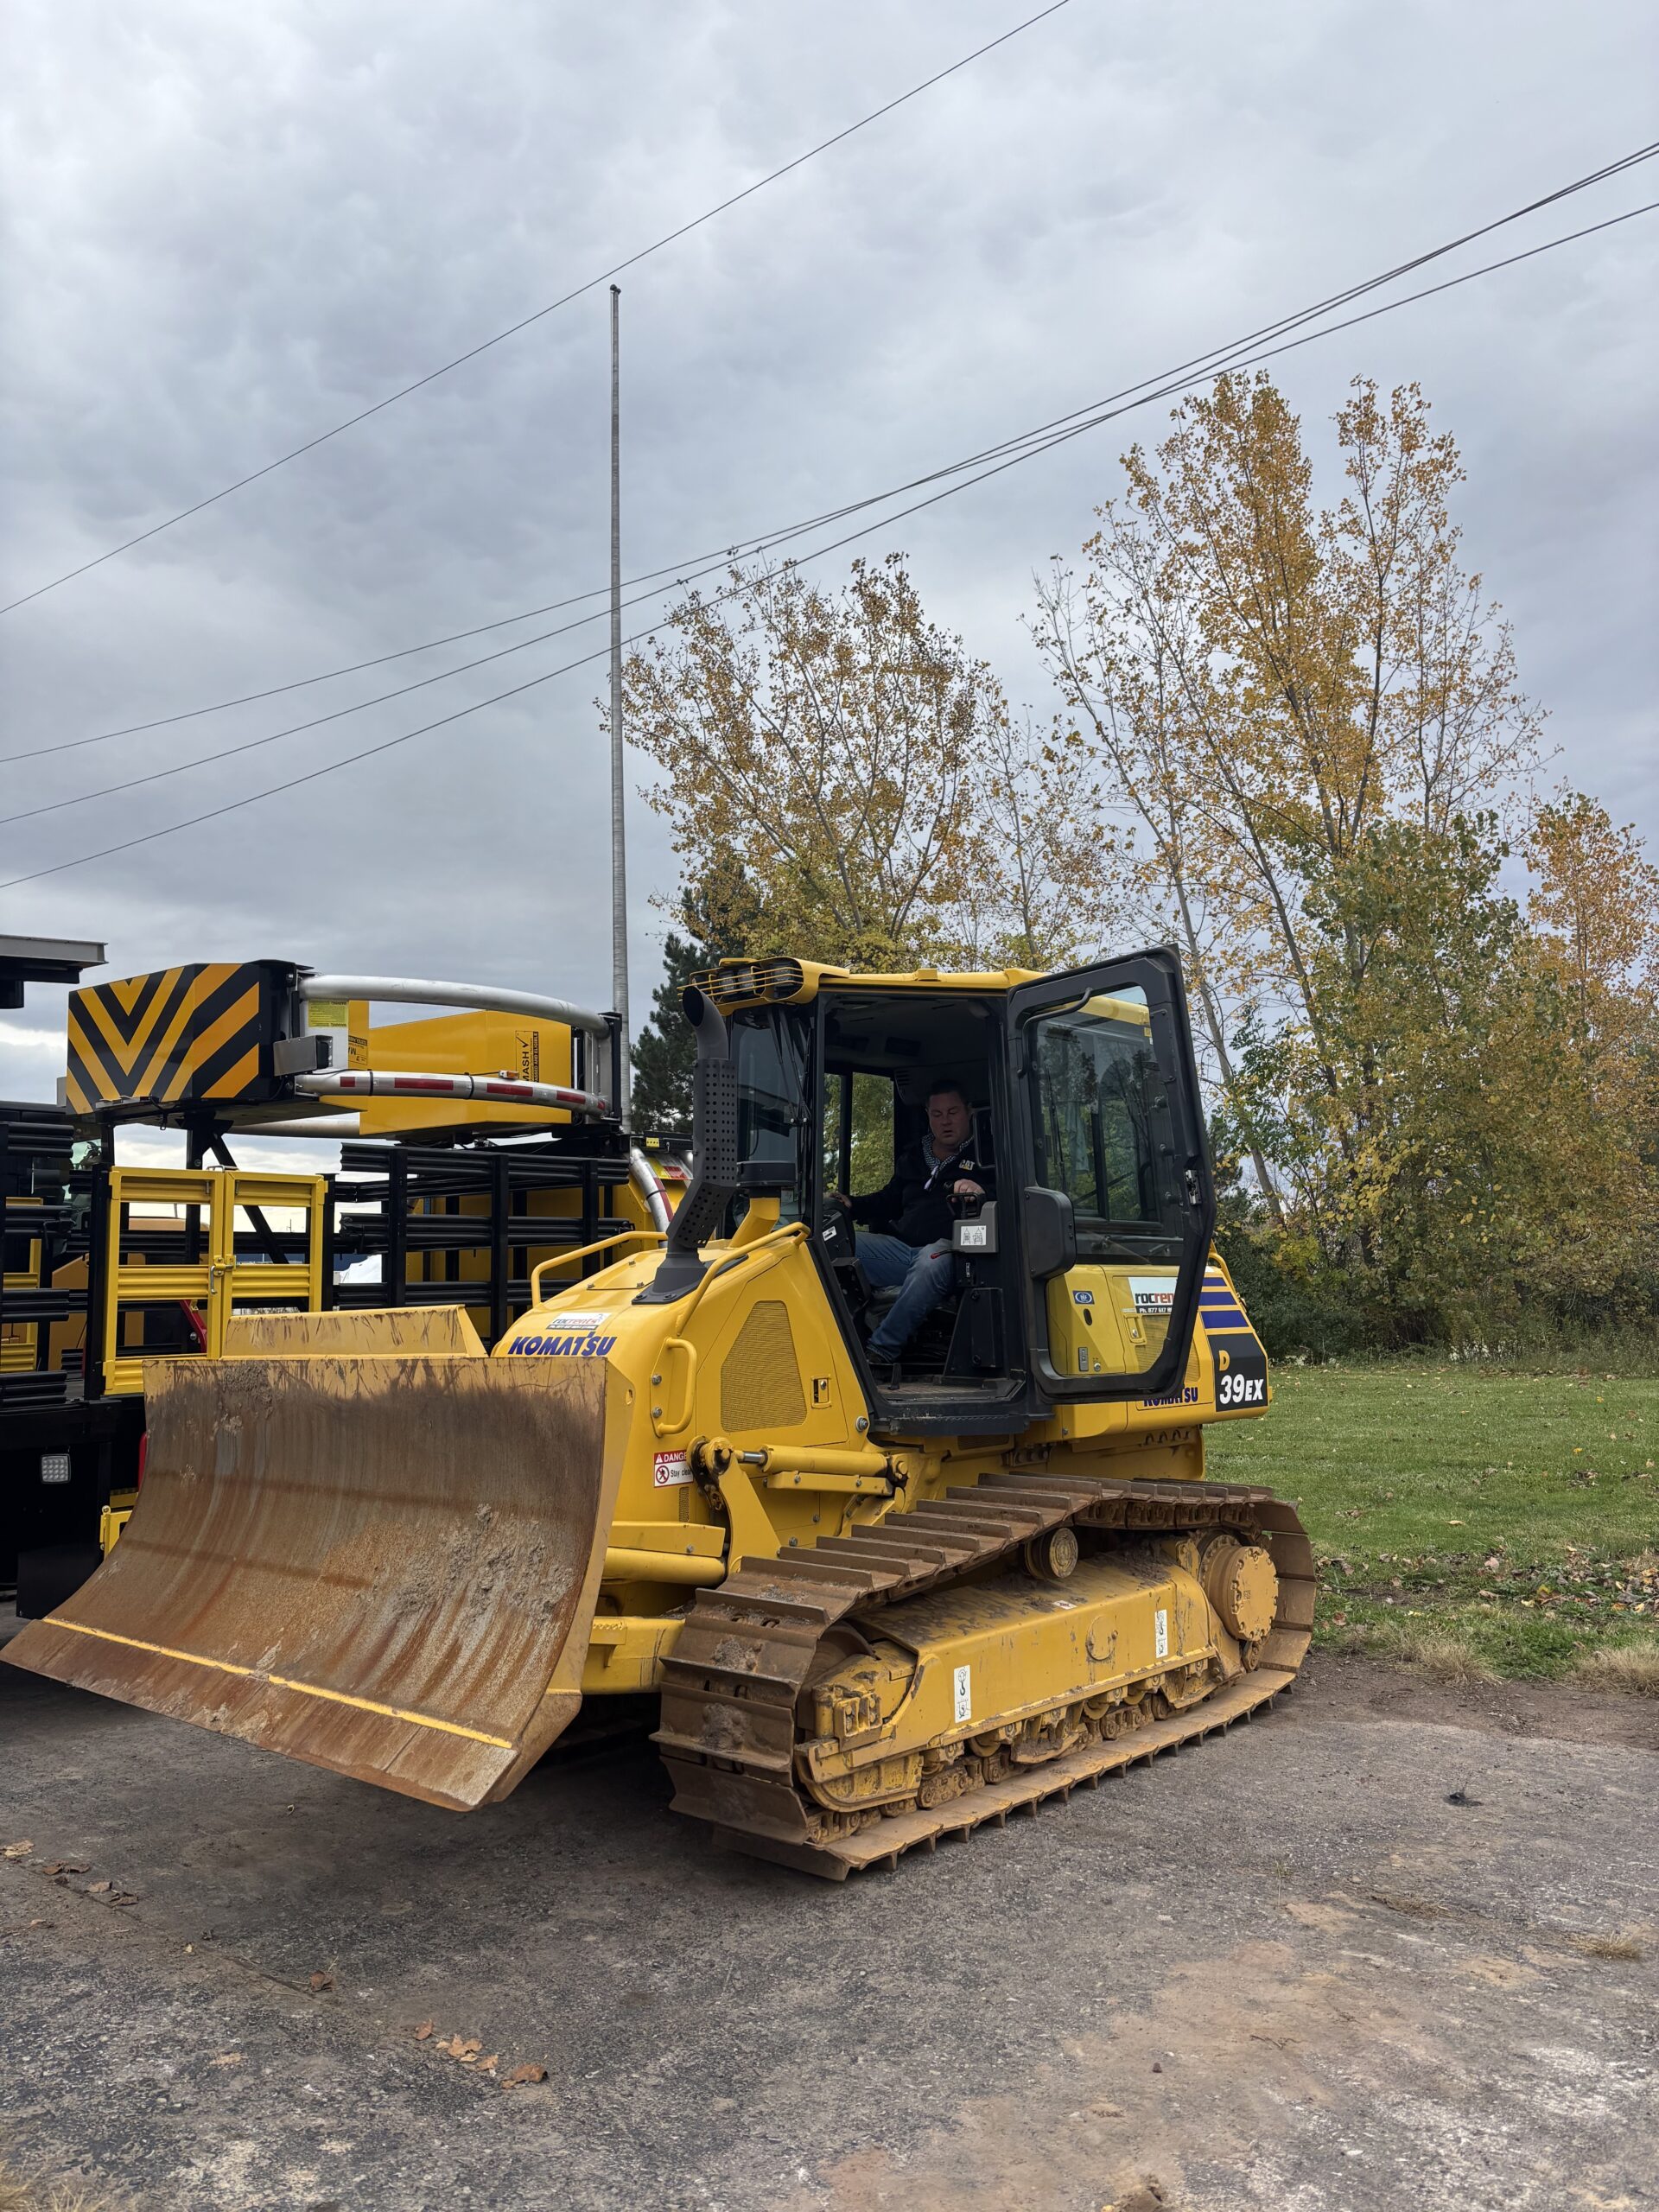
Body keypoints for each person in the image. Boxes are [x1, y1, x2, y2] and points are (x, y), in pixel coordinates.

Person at [842, 1079, 993, 1368]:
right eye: (937, 1115)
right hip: (902, 1251)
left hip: (954, 1255)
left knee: (930, 1259)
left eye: (953, 1112)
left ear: (969, 1112)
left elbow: (1011, 1198)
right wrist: (851, 1204)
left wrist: (980, 1191)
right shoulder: (913, 1156)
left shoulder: (987, 1156)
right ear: (927, 1115)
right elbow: (889, 1199)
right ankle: (837, 1339)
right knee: (830, 1242)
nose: (945, 1121)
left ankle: (879, 1353)